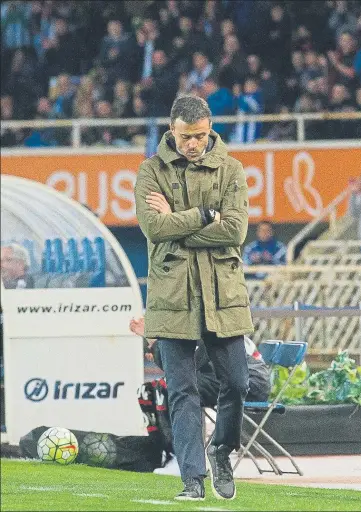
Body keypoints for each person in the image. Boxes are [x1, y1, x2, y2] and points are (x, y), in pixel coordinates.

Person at [134, 94, 253, 501]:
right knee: (181, 391)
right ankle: (192, 480)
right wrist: (204, 215)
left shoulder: (232, 169)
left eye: (200, 136)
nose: (194, 144)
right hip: (171, 298)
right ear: (172, 131)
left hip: (223, 295)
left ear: (210, 129)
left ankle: (221, 449)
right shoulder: (150, 171)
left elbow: (235, 231)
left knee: (238, 382)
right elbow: (153, 228)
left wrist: (177, 221)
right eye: (186, 137)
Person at [129, 317, 271, 406]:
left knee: (172, 388)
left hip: (249, 384)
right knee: (162, 388)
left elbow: (184, 367)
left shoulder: (204, 325)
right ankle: (170, 447)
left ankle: (174, 449)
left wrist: (154, 342)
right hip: (246, 381)